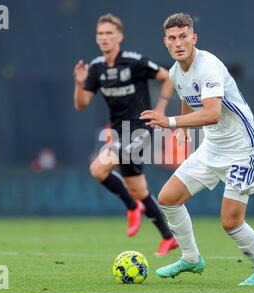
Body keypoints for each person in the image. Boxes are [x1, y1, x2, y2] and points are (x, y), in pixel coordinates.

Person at [140, 13, 254, 285]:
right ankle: (191, 259)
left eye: (183, 36)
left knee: (231, 222)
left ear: (194, 38)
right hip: (211, 147)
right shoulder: (176, 72)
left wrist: (169, 122)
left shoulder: (209, 66)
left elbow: (212, 113)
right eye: (172, 38)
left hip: (241, 150)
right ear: (165, 42)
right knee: (168, 198)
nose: (178, 42)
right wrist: (182, 131)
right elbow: (189, 102)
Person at [73, 14, 178, 256]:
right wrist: (79, 84)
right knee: (140, 190)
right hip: (120, 133)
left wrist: (161, 108)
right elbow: (81, 104)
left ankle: (133, 208)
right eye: (100, 34)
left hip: (140, 130)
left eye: (109, 33)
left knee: (98, 169)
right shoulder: (97, 68)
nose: (104, 38)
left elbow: (167, 77)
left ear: (120, 36)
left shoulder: (134, 62)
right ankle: (168, 237)